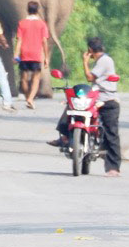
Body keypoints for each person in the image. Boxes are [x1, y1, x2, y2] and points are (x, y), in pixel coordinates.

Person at [49, 36, 122, 176]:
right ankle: (64, 136)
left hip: (107, 99)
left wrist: (84, 61)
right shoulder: (101, 60)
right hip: (95, 97)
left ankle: (113, 167)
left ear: (90, 50)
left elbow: (89, 77)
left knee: (111, 134)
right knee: (72, 106)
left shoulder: (104, 61)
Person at [14, 1, 51, 109]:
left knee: (24, 79)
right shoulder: (42, 24)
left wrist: (16, 54)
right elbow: (44, 41)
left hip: (24, 54)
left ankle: (27, 97)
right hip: (36, 55)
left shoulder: (22, 23)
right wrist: (46, 58)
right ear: (37, 10)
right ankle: (30, 98)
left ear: (27, 9)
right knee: (36, 78)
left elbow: (19, 40)